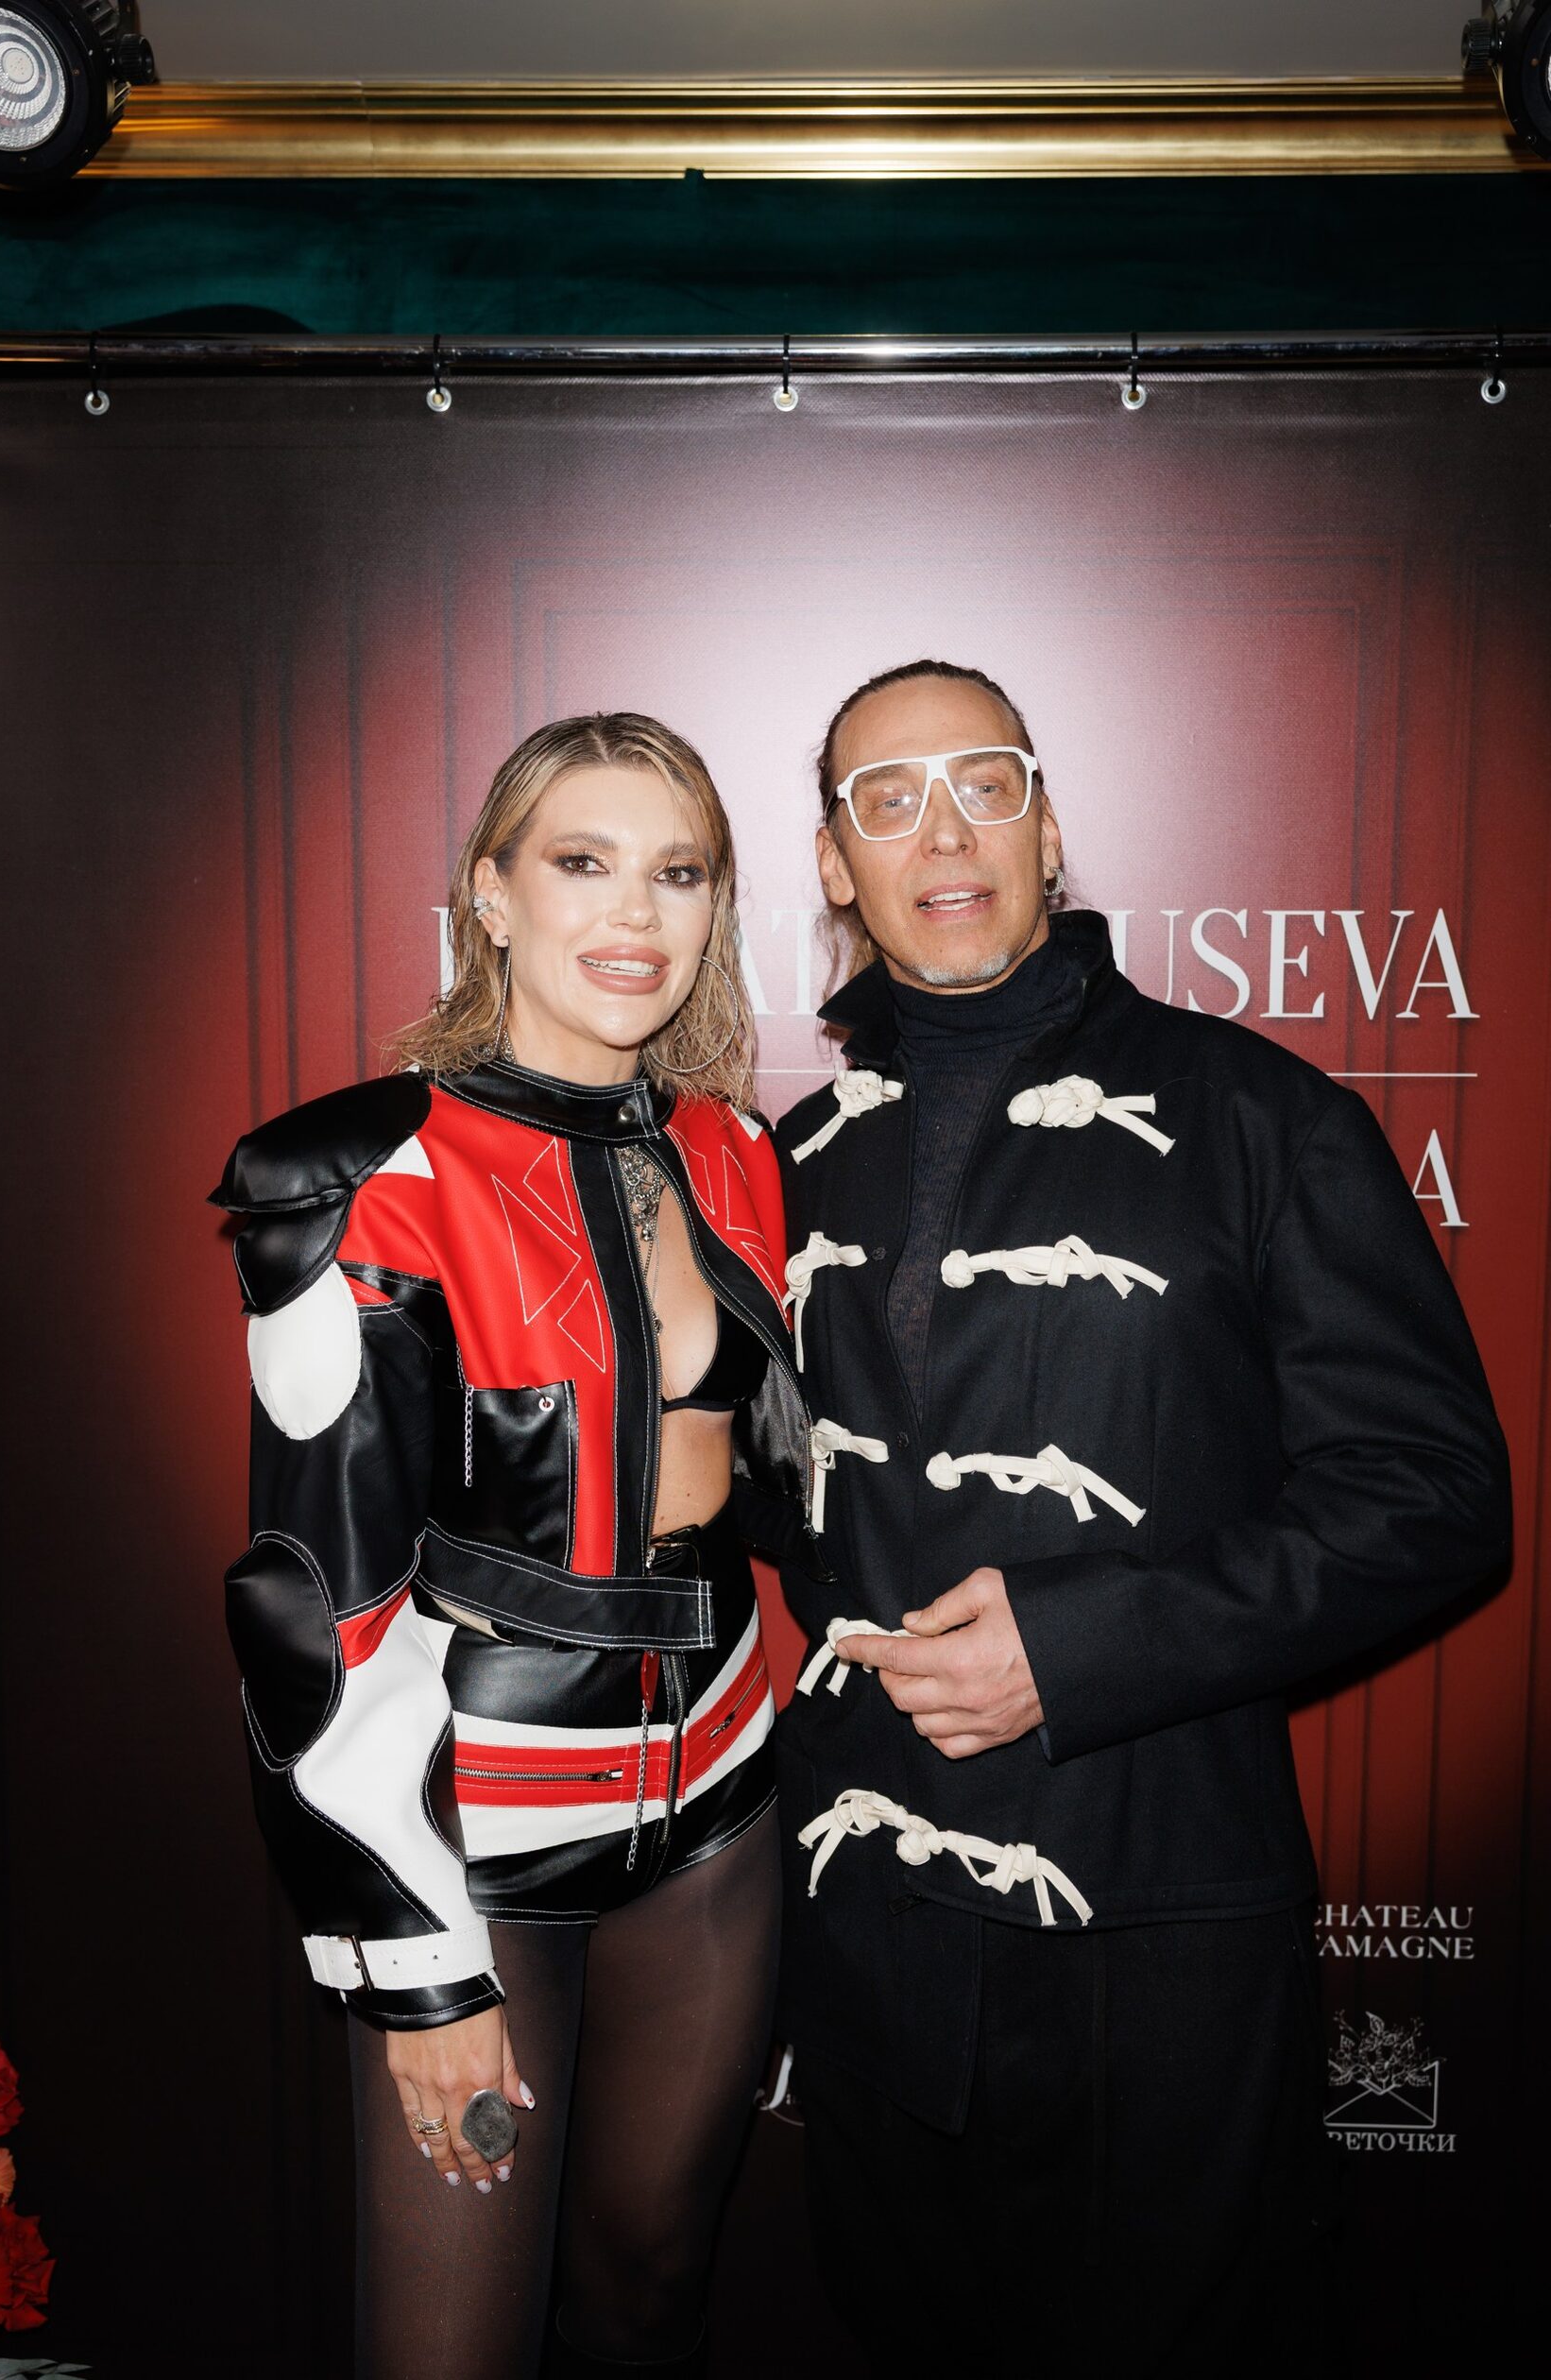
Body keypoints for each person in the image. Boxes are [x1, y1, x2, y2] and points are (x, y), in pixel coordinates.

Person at [771, 658, 1512, 2373]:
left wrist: (1084, 1645)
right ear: (835, 861)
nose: (942, 832)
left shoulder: (1266, 1120)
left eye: (985, 783)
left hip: (1155, 1929)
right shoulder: (785, 1166)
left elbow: (1434, 1495)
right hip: (871, 1947)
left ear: (1047, 826)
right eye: (888, 798)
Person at [210, 713, 825, 2380]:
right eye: (581, 861)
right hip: (475, 1834)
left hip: (721, 1806)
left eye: (677, 872)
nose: (633, 912)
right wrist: (421, 1970)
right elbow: (313, 1607)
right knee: (450, 2350)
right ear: (491, 892)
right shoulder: (366, 1173)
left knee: (646, 2301)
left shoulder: (735, 1152)